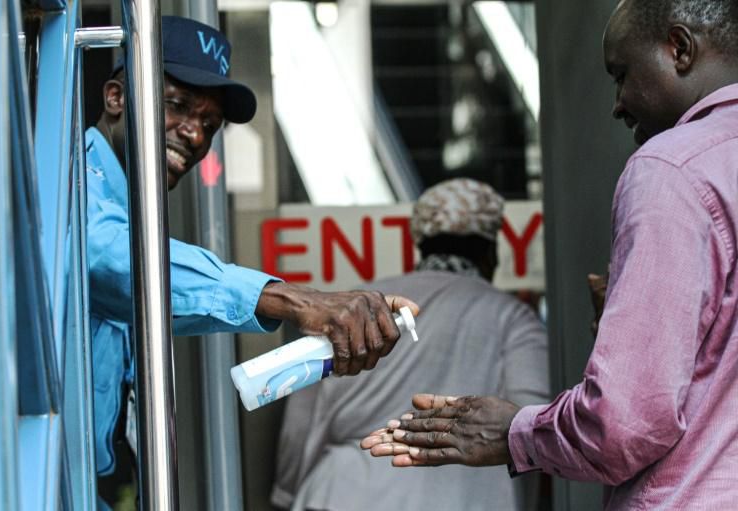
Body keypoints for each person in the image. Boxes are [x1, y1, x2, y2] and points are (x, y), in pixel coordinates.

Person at [361, 0, 738, 508]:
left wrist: (510, 432)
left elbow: (623, 422)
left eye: (621, 75)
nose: (618, 103)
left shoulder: (670, 169)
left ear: (680, 48)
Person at [86, 16, 418, 508]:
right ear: (117, 97)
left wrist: (294, 307)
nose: (194, 134)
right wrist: (297, 300)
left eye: (209, 124)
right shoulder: (74, 178)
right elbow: (106, 259)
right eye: (176, 106)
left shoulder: (125, 204)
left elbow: (151, 295)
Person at [271, 179, 550, 511]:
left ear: (421, 244)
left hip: (342, 494)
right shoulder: (511, 317)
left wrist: (286, 495)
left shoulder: (356, 304)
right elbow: (531, 423)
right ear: (491, 251)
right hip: (464, 497)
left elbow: (301, 419)